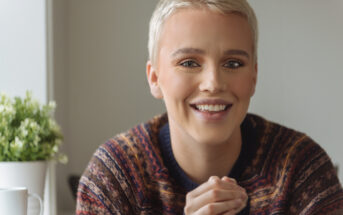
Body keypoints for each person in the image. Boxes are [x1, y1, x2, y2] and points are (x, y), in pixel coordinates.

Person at [76, 0, 343, 214]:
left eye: (233, 63)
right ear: (154, 78)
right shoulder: (115, 175)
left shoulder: (300, 168)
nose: (213, 83)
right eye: (189, 63)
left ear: (253, 78)